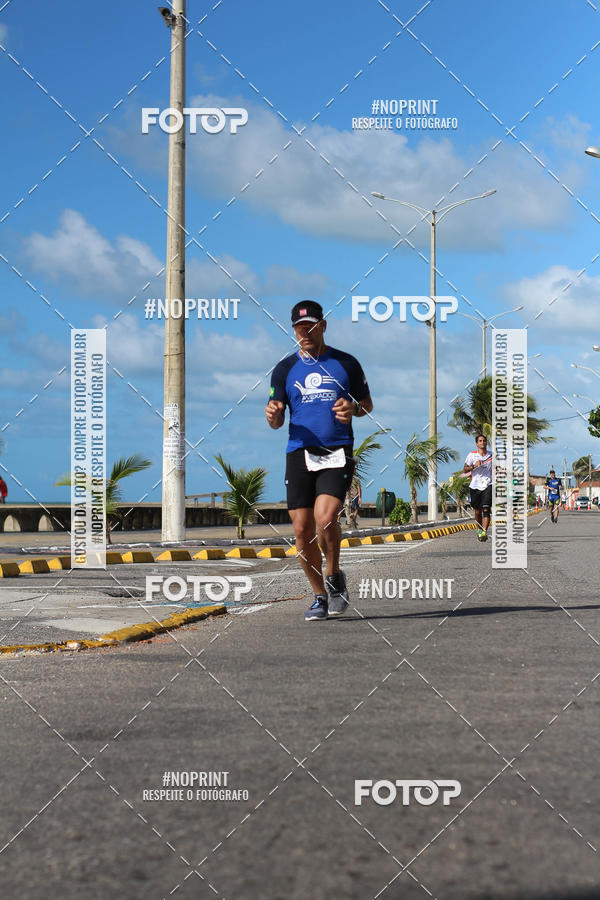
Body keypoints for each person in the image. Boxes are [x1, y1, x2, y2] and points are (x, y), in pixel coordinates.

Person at [265, 300, 373, 621]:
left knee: (325, 520)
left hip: (336, 451)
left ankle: (334, 574)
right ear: (293, 330)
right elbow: (276, 420)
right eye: (300, 328)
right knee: (301, 531)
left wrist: (353, 409)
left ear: (323, 326)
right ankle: (319, 596)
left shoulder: (346, 363)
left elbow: (366, 404)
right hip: (299, 453)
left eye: (311, 327)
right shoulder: (284, 369)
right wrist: (273, 415)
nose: (306, 333)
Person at [463, 434, 493, 542]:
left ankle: (484, 532)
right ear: (476, 443)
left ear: (486, 442)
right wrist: (474, 466)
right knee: (477, 511)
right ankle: (479, 529)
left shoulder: (492, 455)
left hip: (488, 485)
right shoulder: (471, 455)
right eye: (480, 441)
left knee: (486, 509)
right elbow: (465, 470)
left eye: (484, 440)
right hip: (475, 486)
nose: (482, 442)